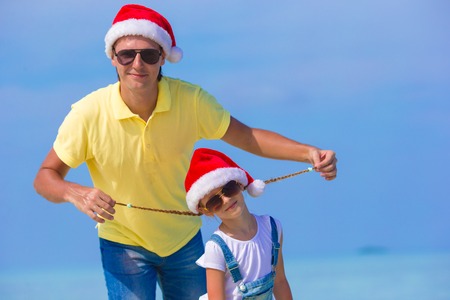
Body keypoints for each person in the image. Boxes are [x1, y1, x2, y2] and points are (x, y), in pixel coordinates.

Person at [33, 3, 337, 300]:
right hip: (122, 244)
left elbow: (246, 136)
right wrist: (76, 193)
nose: (137, 64)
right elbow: (45, 177)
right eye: (127, 54)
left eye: (149, 55)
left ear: (162, 58)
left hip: (184, 241)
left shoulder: (190, 100)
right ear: (113, 58)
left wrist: (308, 153)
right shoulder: (87, 114)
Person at [185, 148, 293, 299]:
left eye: (229, 189)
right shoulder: (216, 247)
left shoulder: (272, 228)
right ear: (207, 211)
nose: (226, 200)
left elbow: (280, 282)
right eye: (214, 201)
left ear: (240, 184)